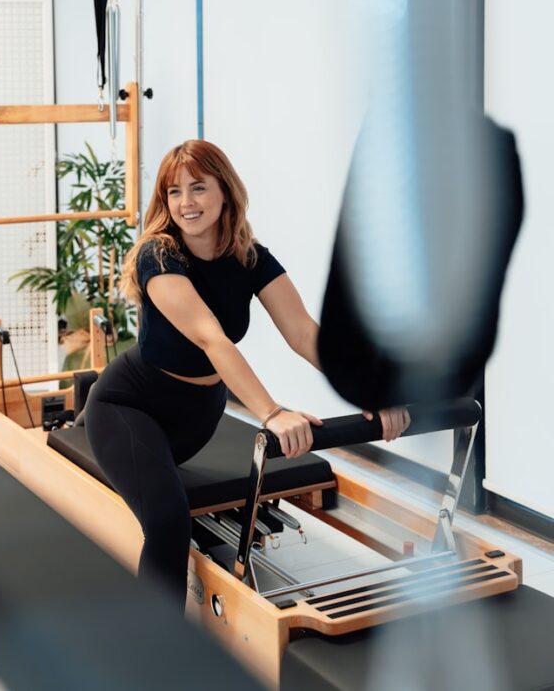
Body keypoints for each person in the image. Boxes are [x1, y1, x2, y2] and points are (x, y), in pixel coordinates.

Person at [84, 139, 409, 605]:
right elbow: (211, 339)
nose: (186, 202)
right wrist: (272, 412)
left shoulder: (250, 257)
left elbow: (304, 332)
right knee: (169, 521)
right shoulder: (160, 255)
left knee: (170, 500)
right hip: (131, 407)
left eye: (198, 187)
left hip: (196, 418)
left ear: (225, 192)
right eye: (174, 192)